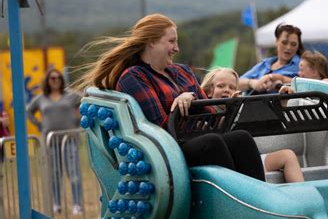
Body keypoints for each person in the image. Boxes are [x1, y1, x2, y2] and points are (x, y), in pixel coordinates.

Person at [74, 13, 265, 181]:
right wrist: (183, 105)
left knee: (241, 138)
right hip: (170, 150)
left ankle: (260, 199)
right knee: (212, 142)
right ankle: (237, 203)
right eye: (171, 41)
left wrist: (229, 106)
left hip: (198, 137)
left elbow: (212, 117)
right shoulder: (134, 76)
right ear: (152, 41)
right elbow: (163, 129)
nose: (177, 48)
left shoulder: (181, 71)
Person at [202, 68, 304, 183]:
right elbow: (215, 136)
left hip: (249, 160)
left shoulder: (241, 107)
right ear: (209, 92)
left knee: (288, 156)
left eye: (232, 88)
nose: (227, 90)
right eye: (221, 86)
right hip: (226, 164)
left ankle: (302, 197)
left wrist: (282, 101)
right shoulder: (203, 112)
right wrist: (230, 111)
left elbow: (269, 121)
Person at [27, 68, 83, 215]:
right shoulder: (41, 99)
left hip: (69, 138)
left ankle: (77, 205)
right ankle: (57, 204)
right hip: (51, 141)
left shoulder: (71, 95)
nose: (55, 80)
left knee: (74, 172)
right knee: (55, 173)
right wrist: (39, 125)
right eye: (52, 78)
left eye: (58, 78)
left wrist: (79, 120)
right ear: (47, 81)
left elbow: (85, 101)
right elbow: (29, 111)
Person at [239, 23, 304, 94]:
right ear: (276, 42)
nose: (288, 47)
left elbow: (307, 84)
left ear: (298, 46)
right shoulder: (265, 64)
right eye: (284, 42)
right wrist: (252, 83)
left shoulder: (302, 64)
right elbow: (236, 83)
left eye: (293, 44)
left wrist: (278, 80)